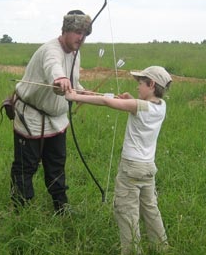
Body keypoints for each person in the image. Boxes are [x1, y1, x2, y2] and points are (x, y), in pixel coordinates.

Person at [65, 66, 172, 254]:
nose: (137, 87)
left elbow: (106, 101)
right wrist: (131, 100)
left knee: (126, 213)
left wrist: (75, 97)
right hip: (148, 168)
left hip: (131, 169)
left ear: (152, 84)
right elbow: (139, 105)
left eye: (140, 83)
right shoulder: (161, 106)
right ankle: (161, 247)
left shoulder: (139, 106)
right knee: (150, 209)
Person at [11, 9, 92, 214]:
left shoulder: (76, 52)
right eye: (77, 32)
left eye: (85, 33)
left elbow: (71, 80)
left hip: (57, 120)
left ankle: (60, 206)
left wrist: (84, 92)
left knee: (56, 164)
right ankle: (21, 210)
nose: (81, 37)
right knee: (26, 166)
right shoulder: (51, 49)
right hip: (31, 117)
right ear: (65, 30)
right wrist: (59, 79)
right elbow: (54, 68)